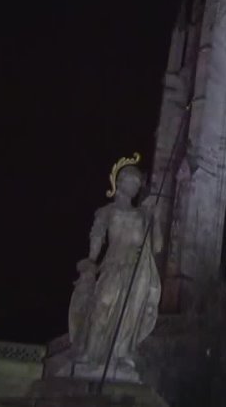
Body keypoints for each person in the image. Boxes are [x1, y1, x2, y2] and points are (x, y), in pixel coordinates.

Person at [69, 152, 162, 376]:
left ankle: (119, 355)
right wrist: (91, 262)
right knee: (102, 304)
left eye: (138, 184)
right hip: (113, 263)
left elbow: (157, 246)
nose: (135, 187)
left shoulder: (143, 214)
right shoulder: (107, 211)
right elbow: (97, 238)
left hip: (138, 269)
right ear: (120, 182)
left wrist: (155, 217)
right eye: (131, 182)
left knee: (130, 314)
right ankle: (89, 353)